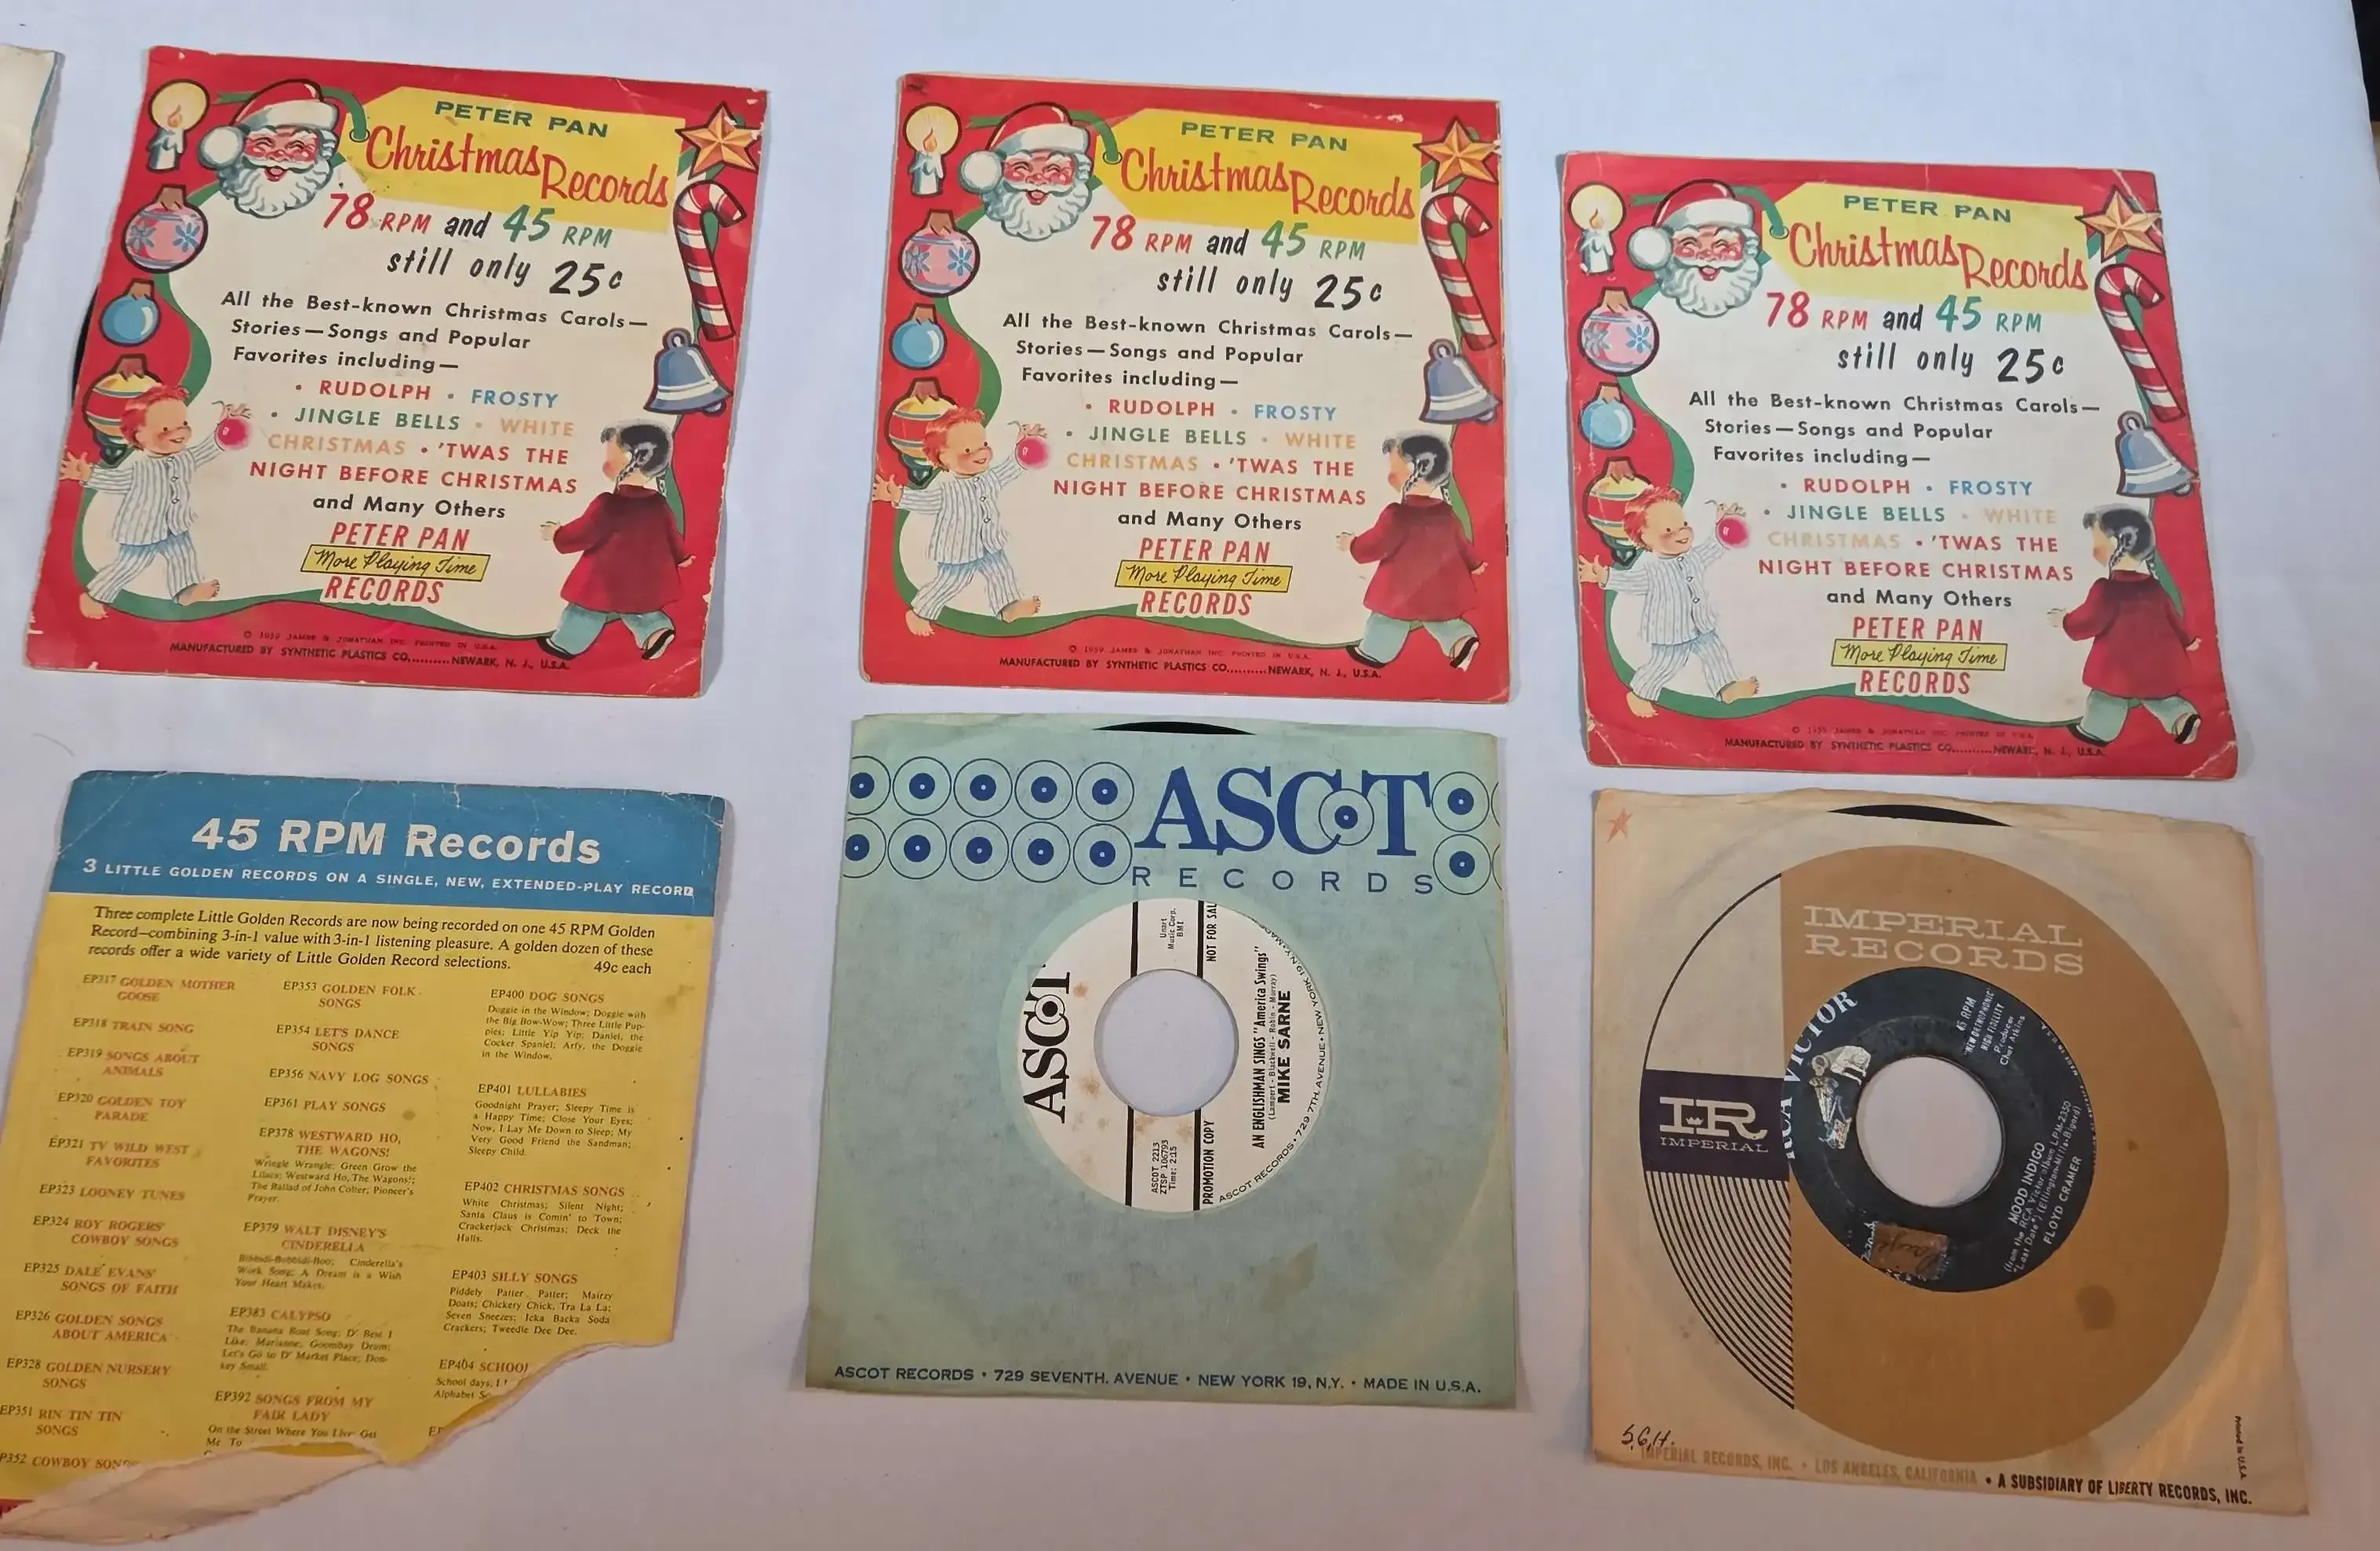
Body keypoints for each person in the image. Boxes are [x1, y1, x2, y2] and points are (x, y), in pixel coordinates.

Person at [60, 386, 246, 619]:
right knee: (130, 566)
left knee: (183, 556)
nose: (180, 431)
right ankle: (94, 596)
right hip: (143, 531)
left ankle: (186, 591)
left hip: (175, 526)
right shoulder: (140, 469)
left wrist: (225, 428)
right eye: (166, 429)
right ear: (140, 436)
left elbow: (208, 449)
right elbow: (116, 481)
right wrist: (87, 474)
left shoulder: (185, 459)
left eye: (183, 423)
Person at [1577, 487, 1758, 717]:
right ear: (1645, 537)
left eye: (1683, 524)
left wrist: (1722, 525)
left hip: (1700, 623)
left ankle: (1726, 688)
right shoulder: (1653, 572)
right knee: (1667, 665)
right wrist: (1603, 576)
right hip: (1671, 632)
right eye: (1669, 530)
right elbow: (1629, 581)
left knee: (1715, 652)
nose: (1681, 532)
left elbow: (1712, 548)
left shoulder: (1693, 558)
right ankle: (1640, 693)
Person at [872, 409, 1043, 635]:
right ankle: (920, 612)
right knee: (951, 583)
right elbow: (925, 501)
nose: (982, 452)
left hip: (989, 543)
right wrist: (897, 495)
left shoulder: (990, 479)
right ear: (944, 458)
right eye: (968, 450)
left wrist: (1024, 446)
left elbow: (1010, 469)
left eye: (984, 444)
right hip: (959, 550)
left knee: (1001, 572)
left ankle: (1008, 608)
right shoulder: (948, 492)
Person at [2050, 504, 2201, 745]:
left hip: (2120, 664)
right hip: (2158, 661)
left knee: (2107, 698)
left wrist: (2065, 620)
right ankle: (2182, 717)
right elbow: (2173, 617)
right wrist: (2188, 640)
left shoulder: (2107, 590)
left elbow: (2087, 622)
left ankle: (2097, 732)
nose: (2094, 551)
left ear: (2120, 544)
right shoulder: (2154, 587)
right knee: (2157, 695)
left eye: (2098, 543)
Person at [539, 421, 691, 661]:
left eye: (610, 454)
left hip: (606, 575)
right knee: (639, 608)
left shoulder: (608, 504)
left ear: (630, 459)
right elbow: (671, 534)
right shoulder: (658, 503)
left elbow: (582, 534)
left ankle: (565, 645)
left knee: (585, 610)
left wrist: (557, 534)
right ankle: (657, 631)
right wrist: (681, 557)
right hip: (644, 575)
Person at [1337, 433, 1487, 669]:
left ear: (1414, 470)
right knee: (1442, 619)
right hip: (1440, 583)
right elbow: (1461, 543)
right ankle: (1461, 641)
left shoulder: (1397, 515)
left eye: (1393, 468)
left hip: (1401, 587)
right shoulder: (1446, 513)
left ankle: (1374, 653)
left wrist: (1353, 544)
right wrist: (1474, 563)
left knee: (1388, 618)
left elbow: (1375, 544)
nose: (1389, 475)